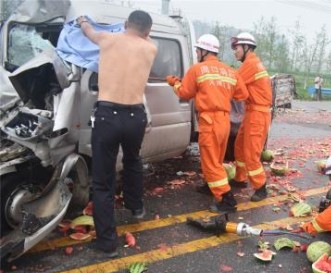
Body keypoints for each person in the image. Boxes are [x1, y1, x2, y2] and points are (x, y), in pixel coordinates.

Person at [77, 11, 157, 258]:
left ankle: (107, 243)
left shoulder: (107, 39)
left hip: (108, 115)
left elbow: (87, 31)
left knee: (102, 181)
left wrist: (82, 21)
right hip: (135, 116)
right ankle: (136, 207)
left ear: (125, 24)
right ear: (147, 31)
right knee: (133, 160)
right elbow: (139, 40)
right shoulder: (150, 48)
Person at [166, 34, 248, 213]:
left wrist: (174, 83)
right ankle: (210, 186)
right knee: (217, 158)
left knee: (210, 163)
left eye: (197, 50)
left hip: (209, 121)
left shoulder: (198, 69)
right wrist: (221, 93)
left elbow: (184, 93)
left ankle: (227, 199)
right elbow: (242, 95)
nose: (196, 53)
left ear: (204, 51)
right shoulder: (230, 71)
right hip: (224, 121)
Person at [229, 32, 272, 202]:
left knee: (251, 152)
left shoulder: (251, 64)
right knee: (239, 145)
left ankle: (261, 188)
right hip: (252, 112)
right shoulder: (251, 62)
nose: (235, 51)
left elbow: (233, 82)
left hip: (258, 114)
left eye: (237, 48)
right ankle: (240, 178)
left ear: (246, 48)